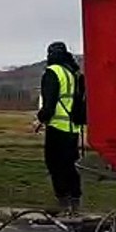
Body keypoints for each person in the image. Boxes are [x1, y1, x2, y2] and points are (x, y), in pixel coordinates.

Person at [35, 41, 87, 215]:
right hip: (73, 127)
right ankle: (75, 203)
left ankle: (63, 204)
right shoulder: (74, 73)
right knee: (70, 166)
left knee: (55, 165)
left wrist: (40, 120)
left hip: (57, 126)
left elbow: (49, 104)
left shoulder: (52, 73)